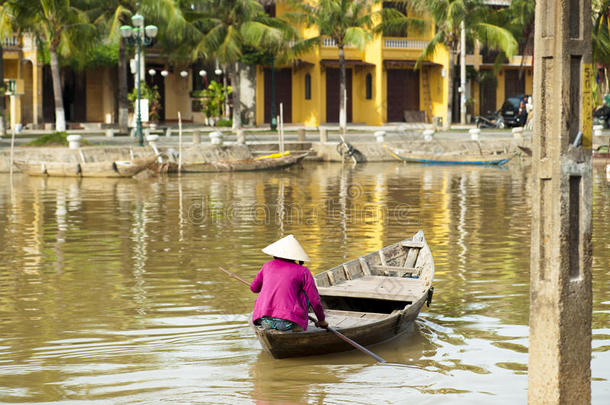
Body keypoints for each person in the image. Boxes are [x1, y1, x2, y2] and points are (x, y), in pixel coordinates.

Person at [250, 234, 327, 332]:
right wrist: (321, 320)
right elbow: (314, 300)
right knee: (307, 293)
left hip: (265, 321)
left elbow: (254, 288)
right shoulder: (303, 271)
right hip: (288, 323)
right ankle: (297, 321)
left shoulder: (267, 266)